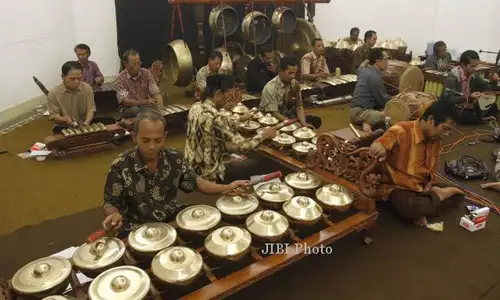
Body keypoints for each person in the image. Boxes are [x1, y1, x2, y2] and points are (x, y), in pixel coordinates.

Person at [102, 111, 250, 236]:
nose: (152, 146)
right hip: (136, 224)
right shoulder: (120, 165)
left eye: (158, 140)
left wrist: (227, 188)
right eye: (145, 140)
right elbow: (110, 202)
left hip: (169, 214)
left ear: (164, 137)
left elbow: (198, 183)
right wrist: (112, 214)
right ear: (134, 137)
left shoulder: (174, 157)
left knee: (207, 222)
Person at [369, 100, 464, 227]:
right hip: (397, 188)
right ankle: (432, 201)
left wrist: (427, 190)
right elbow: (384, 140)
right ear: (431, 119)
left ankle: (428, 202)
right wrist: (380, 146)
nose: (446, 135)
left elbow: (431, 171)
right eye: (445, 129)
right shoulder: (402, 129)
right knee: (410, 207)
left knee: (458, 196)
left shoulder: (435, 139)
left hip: (420, 187)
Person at [185, 74, 277, 182]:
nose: (228, 100)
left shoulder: (195, 107)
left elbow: (217, 123)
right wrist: (264, 134)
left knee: (231, 151)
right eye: (228, 95)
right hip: (209, 173)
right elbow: (243, 146)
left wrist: (240, 118)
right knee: (261, 162)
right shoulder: (216, 118)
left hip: (191, 168)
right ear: (219, 93)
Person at [260, 56, 322, 129]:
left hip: (288, 114)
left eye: (295, 73)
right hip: (275, 118)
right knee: (294, 127)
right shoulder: (270, 88)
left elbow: (299, 106)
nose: (293, 76)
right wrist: (292, 122)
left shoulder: (295, 84)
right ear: (281, 71)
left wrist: (303, 123)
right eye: (290, 73)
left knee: (316, 121)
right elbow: (274, 113)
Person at [441, 50, 500, 125]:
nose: (475, 68)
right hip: (455, 108)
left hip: (469, 106)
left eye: (476, 66)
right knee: (468, 117)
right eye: (472, 66)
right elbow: (449, 99)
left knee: (494, 107)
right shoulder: (453, 77)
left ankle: (479, 119)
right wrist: (469, 97)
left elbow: (486, 87)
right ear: (463, 65)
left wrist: (494, 81)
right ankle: (479, 119)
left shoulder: (473, 75)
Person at [47, 61, 96, 134]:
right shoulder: (53, 93)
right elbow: (54, 116)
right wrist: (64, 119)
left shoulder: (87, 88)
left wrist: (86, 123)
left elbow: (90, 109)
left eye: (79, 78)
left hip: (84, 125)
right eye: (72, 79)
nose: (76, 82)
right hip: (63, 128)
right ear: (63, 77)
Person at [350, 48, 390, 132]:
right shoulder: (374, 77)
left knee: (379, 110)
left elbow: (359, 69)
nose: (388, 62)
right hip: (360, 112)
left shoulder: (363, 70)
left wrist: (368, 61)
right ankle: (367, 122)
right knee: (389, 115)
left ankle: (367, 123)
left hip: (358, 110)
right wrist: (398, 99)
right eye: (386, 59)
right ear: (378, 61)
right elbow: (383, 101)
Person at [116, 49, 164, 118]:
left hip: (145, 105)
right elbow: (125, 101)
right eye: (133, 64)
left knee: (155, 107)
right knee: (135, 110)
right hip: (128, 108)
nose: (137, 66)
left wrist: (160, 108)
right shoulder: (120, 78)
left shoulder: (146, 73)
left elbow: (155, 92)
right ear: (125, 64)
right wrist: (144, 102)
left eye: (138, 63)